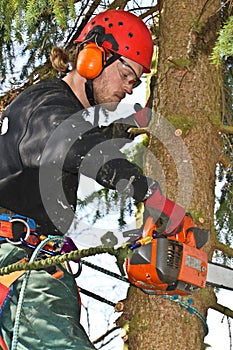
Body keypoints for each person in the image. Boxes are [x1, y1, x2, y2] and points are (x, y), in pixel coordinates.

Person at [0, 9, 185, 349]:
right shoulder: (48, 104)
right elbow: (70, 144)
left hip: (24, 259)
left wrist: (127, 129)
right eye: (126, 74)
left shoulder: (53, 109)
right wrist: (149, 193)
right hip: (19, 262)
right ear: (93, 57)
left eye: (136, 81)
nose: (129, 89)